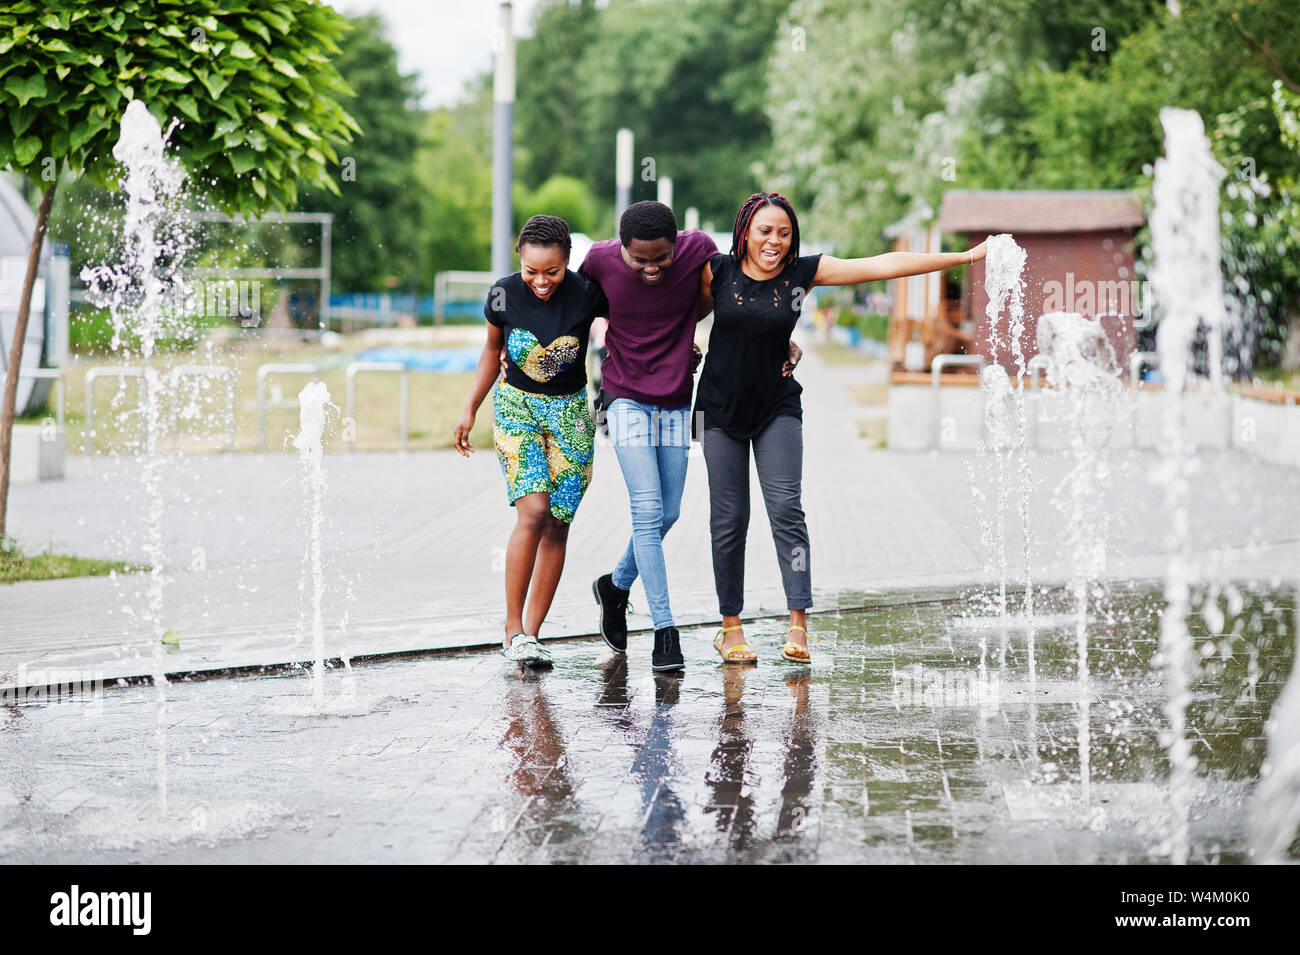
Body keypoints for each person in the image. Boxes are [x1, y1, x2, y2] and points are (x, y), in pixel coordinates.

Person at [697, 192, 987, 665]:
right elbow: (676, 317)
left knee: (786, 509)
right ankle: (730, 628)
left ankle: (797, 624)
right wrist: (682, 354)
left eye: (784, 232)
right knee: (728, 519)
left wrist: (965, 256)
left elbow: (883, 264)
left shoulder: (803, 273)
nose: (774, 241)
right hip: (715, 409)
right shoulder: (716, 271)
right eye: (765, 231)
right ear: (745, 231)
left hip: (777, 404)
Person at [454, 215, 608, 667]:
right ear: (519, 260)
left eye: (552, 272)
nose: (541, 281)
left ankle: (532, 637)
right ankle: (512, 627)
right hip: (517, 407)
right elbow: (490, 349)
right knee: (534, 510)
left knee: (558, 522)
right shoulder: (502, 293)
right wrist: (470, 407)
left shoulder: (587, 293)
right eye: (532, 272)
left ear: (568, 263)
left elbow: (633, 328)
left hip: (572, 414)